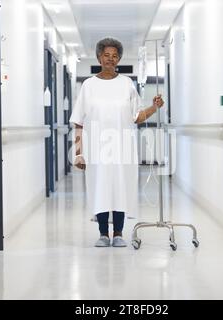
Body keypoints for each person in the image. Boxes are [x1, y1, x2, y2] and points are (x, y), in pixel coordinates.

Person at [70, 38, 164, 248]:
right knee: (100, 188)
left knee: (121, 187)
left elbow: (137, 117)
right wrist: (78, 152)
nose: (110, 60)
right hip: (97, 148)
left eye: (114, 56)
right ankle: (103, 233)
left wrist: (154, 107)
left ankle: (119, 233)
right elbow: (78, 121)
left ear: (119, 59)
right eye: (106, 55)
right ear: (99, 57)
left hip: (123, 147)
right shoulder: (88, 85)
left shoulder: (126, 84)